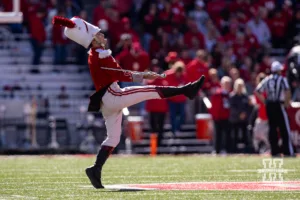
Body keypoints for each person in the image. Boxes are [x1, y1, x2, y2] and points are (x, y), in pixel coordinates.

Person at [52, 16, 205, 189]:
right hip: (113, 95)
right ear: (93, 39)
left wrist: (142, 75)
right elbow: (119, 74)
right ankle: (187, 90)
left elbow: (118, 73)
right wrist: (143, 75)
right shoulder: (100, 56)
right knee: (150, 91)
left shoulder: (96, 55)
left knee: (113, 138)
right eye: (100, 35)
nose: (104, 37)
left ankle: (95, 169)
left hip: (107, 99)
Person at [255, 61, 295, 157]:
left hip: (270, 105)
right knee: (284, 128)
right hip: (278, 105)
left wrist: (265, 101)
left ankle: (274, 151)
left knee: (272, 129)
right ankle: (287, 152)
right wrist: (286, 102)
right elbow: (288, 91)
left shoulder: (267, 79)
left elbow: (257, 90)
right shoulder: (282, 79)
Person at [209, 76, 231, 154]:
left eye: (228, 84)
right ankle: (217, 150)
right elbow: (214, 107)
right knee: (218, 134)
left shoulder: (230, 94)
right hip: (218, 117)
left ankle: (228, 150)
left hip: (227, 117)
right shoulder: (217, 94)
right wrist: (214, 116)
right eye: (226, 83)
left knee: (228, 134)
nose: (227, 85)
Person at [229, 78, 251, 153]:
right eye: (238, 86)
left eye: (241, 86)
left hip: (244, 119)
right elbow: (232, 107)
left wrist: (245, 114)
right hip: (235, 119)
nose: (240, 88)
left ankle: (246, 151)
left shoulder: (245, 96)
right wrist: (239, 114)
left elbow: (248, 107)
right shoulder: (232, 96)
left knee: (245, 135)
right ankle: (234, 151)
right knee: (235, 135)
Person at [253, 73, 270, 153]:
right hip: (261, 116)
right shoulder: (258, 91)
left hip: (268, 116)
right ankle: (260, 149)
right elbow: (257, 103)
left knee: (266, 135)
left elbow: (265, 102)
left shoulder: (268, 91)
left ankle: (268, 149)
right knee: (256, 134)